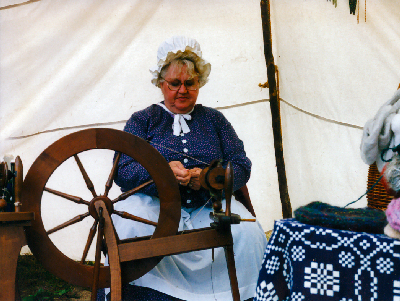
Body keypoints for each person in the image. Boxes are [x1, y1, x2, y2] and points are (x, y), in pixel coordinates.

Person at [107, 36, 267, 301]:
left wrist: (204, 178)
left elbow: (241, 165)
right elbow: (122, 169)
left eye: (189, 83)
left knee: (248, 233)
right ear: (161, 84)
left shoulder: (215, 120)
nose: (182, 90)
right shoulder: (143, 119)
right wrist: (160, 173)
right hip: (154, 207)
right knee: (129, 229)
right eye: (174, 83)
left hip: (209, 206)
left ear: (199, 84)